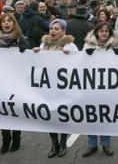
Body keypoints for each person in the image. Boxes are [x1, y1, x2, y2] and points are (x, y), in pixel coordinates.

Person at [33, 19, 78, 158]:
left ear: (63, 31)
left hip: (62, 88)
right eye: (51, 28)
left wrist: (69, 56)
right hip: (47, 87)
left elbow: (78, 64)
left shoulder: (70, 46)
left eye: (57, 29)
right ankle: (54, 144)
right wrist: (36, 52)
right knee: (50, 116)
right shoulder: (44, 44)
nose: (53, 31)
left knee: (61, 115)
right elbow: (38, 63)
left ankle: (63, 142)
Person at [0, 13, 30, 153]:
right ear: (0, 24)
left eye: (9, 21)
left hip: (17, 83)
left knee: (14, 112)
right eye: (4, 21)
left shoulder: (22, 40)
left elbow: (30, 62)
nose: (6, 23)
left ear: (14, 24)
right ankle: (5, 139)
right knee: (3, 113)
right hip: (1, 84)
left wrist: (24, 52)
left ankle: (16, 138)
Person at [82, 22, 118, 157]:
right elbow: (80, 65)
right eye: (101, 31)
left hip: (108, 88)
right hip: (91, 87)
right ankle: (92, 145)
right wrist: (86, 56)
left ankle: (106, 144)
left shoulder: (115, 45)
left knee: (105, 116)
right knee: (91, 116)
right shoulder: (88, 45)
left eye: (106, 31)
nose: (104, 33)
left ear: (109, 33)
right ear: (96, 32)